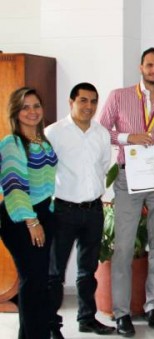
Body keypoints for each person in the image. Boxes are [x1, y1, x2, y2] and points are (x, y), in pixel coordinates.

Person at [99, 47, 154, 336]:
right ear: (141, 67)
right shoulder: (118, 96)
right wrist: (128, 137)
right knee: (124, 246)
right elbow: (101, 132)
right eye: (149, 65)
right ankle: (122, 313)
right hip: (128, 179)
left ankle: (153, 306)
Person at [45, 83, 114, 338]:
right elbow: (44, 171)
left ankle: (87, 318)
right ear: (71, 102)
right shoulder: (53, 133)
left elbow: (104, 166)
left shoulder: (101, 133)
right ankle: (52, 326)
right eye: (83, 101)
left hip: (94, 210)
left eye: (93, 101)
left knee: (88, 271)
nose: (89, 106)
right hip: (62, 211)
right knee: (55, 273)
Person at [0, 87, 58, 339]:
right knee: (32, 283)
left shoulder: (42, 140)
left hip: (43, 214)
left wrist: (49, 212)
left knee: (39, 282)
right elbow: (15, 186)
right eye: (25, 107)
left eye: (36, 106)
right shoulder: (12, 143)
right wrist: (32, 221)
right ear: (15, 111)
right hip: (21, 218)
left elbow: (47, 180)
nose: (32, 111)